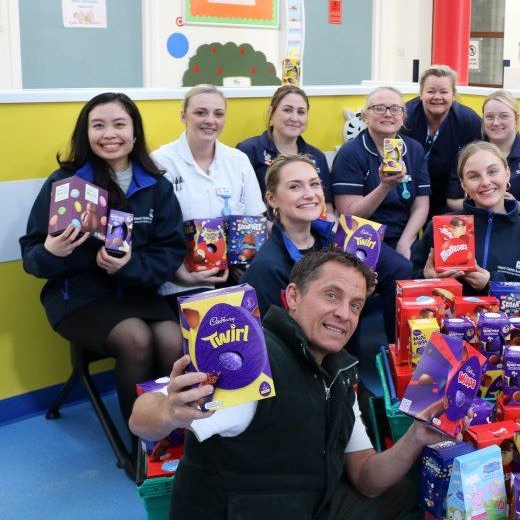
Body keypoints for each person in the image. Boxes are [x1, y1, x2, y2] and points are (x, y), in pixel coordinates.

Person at [129, 250, 445, 518]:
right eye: (331, 295)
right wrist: (169, 410)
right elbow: (141, 420)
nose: (343, 314)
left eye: (355, 305)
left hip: (308, 503)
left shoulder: (339, 372)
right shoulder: (252, 361)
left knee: (402, 491)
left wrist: (416, 437)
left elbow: (366, 478)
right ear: (293, 296)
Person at [20, 92, 185, 428]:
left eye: (119, 124)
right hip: (78, 296)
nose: (109, 134)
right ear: (86, 133)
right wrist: (53, 252)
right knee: (136, 337)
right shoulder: (65, 183)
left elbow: (170, 249)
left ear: (135, 133)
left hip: (137, 291)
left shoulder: (156, 185)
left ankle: (174, 433)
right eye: (99, 125)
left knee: (171, 338)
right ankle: (142, 439)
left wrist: (130, 266)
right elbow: (32, 256)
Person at [242, 154, 411, 342]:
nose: (309, 194)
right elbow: (274, 343)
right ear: (272, 199)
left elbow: (400, 269)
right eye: (295, 187)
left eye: (314, 184)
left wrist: (360, 293)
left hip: (343, 355)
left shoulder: (341, 237)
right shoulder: (266, 268)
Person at [151, 84, 266, 305]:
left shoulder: (238, 161)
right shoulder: (160, 162)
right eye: (200, 112)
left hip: (232, 279)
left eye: (218, 114)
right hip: (180, 281)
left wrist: (245, 265)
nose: (210, 120)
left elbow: (255, 221)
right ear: (184, 116)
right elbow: (155, 232)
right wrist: (181, 274)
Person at [411, 141, 520, 295]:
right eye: (474, 176)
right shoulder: (440, 228)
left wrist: (493, 284)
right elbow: (409, 286)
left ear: (507, 173)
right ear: (463, 184)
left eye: (492, 172)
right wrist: (426, 278)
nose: (485, 182)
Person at [332, 86, 430, 258]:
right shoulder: (350, 153)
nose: (388, 114)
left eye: (395, 109)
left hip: (404, 236)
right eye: (379, 108)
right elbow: (349, 215)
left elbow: (421, 205)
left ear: (403, 117)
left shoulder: (414, 149)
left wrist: (405, 243)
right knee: (401, 270)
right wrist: (384, 187)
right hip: (363, 239)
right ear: (365, 116)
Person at [446, 90, 520, 222]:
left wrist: (514, 206)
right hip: (477, 228)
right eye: (489, 117)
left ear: (516, 118)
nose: (496, 122)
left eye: (504, 116)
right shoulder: (468, 154)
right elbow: (452, 200)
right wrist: (482, 204)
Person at [236, 85, 333, 210]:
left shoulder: (317, 156)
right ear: (271, 113)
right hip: (261, 228)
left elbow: (327, 209)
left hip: (309, 228)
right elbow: (240, 208)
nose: (294, 118)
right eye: (287, 110)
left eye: (301, 112)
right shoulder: (248, 151)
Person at [402, 65, 483, 216]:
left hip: (449, 197)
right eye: (431, 91)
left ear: (453, 95)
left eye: (444, 92)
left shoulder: (469, 121)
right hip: (408, 192)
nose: (437, 97)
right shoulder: (404, 117)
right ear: (421, 94)